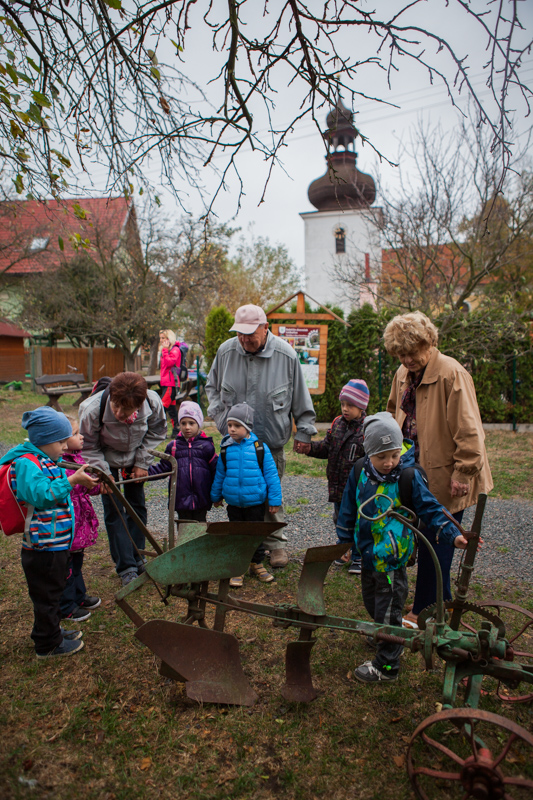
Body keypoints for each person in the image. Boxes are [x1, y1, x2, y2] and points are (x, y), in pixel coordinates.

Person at [336, 412, 468, 683]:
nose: (389, 463)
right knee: (373, 604)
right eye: (382, 456)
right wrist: (344, 540)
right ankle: (385, 635)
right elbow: (349, 507)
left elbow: (431, 508)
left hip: (393, 561)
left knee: (389, 610)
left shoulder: (408, 476)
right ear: (368, 451)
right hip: (369, 555)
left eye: (394, 455)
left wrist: (453, 534)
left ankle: (387, 666)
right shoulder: (360, 470)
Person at [383, 311, 493, 628]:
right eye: (401, 354)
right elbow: (392, 413)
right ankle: (430, 601)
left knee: (439, 538)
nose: (407, 359)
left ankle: (425, 610)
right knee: (422, 535)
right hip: (414, 471)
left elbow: (469, 430)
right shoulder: (403, 373)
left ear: (429, 342)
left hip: (447, 473)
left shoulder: (451, 374)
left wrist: (464, 472)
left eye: (411, 352)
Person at [206, 304, 317, 568]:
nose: (244, 340)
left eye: (250, 334)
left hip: (270, 441)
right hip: (234, 444)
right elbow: (211, 388)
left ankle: (275, 544)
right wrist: (223, 422)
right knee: (240, 493)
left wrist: (303, 431)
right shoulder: (226, 351)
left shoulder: (286, 355)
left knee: (269, 493)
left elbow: (301, 398)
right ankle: (245, 546)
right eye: (240, 334)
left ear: (265, 328)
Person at [0, 407, 99, 658]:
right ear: (44, 441)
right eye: (61, 441)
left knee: (53, 592)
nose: (66, 446)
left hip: (54, 543)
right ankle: (47, 644)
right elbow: (42, 496)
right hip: (42, 546)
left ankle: (52, 631)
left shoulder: (45, 459)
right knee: (46, 597)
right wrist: (72, 481)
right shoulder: (26, 464)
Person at [79, 372, 167, 586]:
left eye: (125, 409)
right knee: (114, 510)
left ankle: (139, 556)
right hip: (105, 459)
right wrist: (102, 472)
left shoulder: (152, 402)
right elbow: (88, 445)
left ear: (139, 404)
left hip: (134, 458)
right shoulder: (92, 409)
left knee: (137, 506)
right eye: (115, 406)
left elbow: (157, 431)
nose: (119, 412)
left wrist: (141, 462)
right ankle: (125, 567)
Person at [295, 379, 369, 574]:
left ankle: (359, 556)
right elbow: (327, 447)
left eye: (350, 405)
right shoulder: (337, 424)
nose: (345, 409)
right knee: (341, 520)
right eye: (343, 404)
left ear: (361, 406)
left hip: (358, 489)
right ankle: (343, 549)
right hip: (338, 487)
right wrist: (310, 448)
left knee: (358, 521)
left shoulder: (367, 429)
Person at [210, 403, 282, 587]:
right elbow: (220, 474)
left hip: (255, 502)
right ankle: (239, 566)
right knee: (237, 534)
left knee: (254, 535)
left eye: (237, 426)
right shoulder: (226, 448)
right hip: (234, 503)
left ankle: (256, 563)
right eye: (230, 425)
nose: (232, 429)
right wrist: (216, 495)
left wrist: (274, 500)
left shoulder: (260, 448)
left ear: (247, 427)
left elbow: (271, 475)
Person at [59, 416, 102, 623]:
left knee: (77, 560)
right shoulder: (60, 463)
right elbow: (69, 488)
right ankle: (66, 606)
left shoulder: (77, 458)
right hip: (69, 521)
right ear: (62, 441)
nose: (81, 436)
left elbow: (86, 487)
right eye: (76, 434)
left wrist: (100, 486)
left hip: (80, 521)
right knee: (66, 564)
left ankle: (79, 595)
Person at [148, 400, 217, 522]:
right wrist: (145, 473)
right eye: (183, 423)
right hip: (181, 498)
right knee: (183, 528)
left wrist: (218, 495)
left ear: (199, 423)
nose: (187, 427)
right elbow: (163, 468)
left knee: (200, 527)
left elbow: (216, 471)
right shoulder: (173, 447)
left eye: (191, 423)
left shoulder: (207, 446)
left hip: (201, 497)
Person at [159, 329, 183, 438]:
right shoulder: (168, 350)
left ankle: (159, 432)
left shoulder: (175, 350)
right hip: (166, 383)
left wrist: (164, 351)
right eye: (160, 338)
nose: (161, 340)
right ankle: (176, 431)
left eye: (163, 338)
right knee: (172, 410)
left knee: (161, 408)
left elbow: (170, 362)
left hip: (171, 384)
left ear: (169, 338)